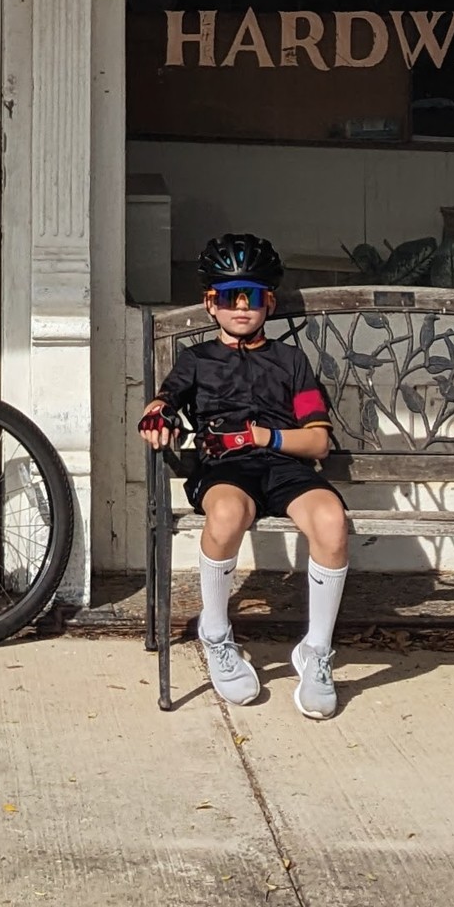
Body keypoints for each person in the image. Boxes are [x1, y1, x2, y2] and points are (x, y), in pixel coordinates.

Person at [141, 231, 349, 718]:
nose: (241, 306)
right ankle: (215, 633)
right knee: (228, 513)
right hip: (224, 468)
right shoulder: (196, 361)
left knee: (332, 522)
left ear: (269, 302)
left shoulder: (291, 361)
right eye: (229, 297)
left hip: (284, 465)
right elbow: (165, 400)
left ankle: (316, 651)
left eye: (252, 296)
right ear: (209, 303)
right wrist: (157, 414)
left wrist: (262, 437)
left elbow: (317, 440)